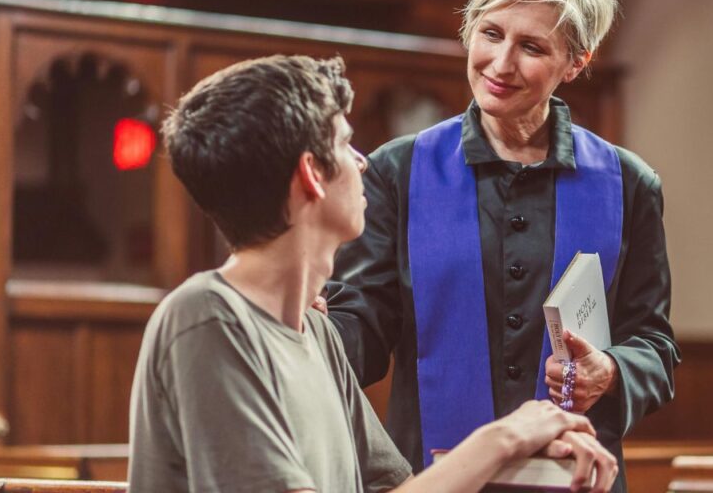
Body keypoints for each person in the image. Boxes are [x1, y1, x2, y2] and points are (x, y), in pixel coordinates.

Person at [127, 55, 618, 493]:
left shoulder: (315, 331)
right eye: (345, 144)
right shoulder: (206, 321)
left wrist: (526, 457)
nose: (362, 162)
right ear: (311, 175)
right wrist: (506, 434)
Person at [324, 0, 680, 493]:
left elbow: (653, 344)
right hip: (437, 477)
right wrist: (305, 328)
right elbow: (364, 323)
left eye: (533, 47)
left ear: (576, 62)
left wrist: (608, 371)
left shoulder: (627, 183)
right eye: (491, 33)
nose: (501, 63)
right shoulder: (399, 170)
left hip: (577, 475)